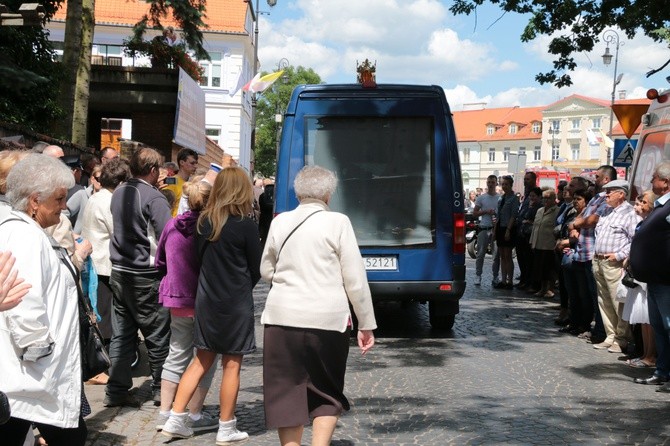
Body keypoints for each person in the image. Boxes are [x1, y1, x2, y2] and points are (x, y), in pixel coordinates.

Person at [260, 165, 376, 446]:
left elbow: (266, 269)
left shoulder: (280, 222)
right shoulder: (338, 222)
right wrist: (366, 323)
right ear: (328, 195)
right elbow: (355, 279)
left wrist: (289, 279)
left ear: (298, 193)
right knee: (326, 390)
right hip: (327, 319)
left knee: (284, 391)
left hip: (282, 318)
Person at [162, 167, 261, 442]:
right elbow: (256, 268)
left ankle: (175, 418)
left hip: (206, 300)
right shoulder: (245, 224)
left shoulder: (205, 221)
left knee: (200, 361)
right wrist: (241, 287)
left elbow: (199, 259)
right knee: (232, 365)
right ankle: (226, 427)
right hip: (235, 302)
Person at [0, 154, 88, 445]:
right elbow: (23, 299)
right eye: (60, 199)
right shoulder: (24, 236)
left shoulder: (28, 231)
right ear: (35, 201)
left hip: (34, 376)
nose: (65, 207)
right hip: (33, 376)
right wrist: (40, 350)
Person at [104, 147, 172, 408]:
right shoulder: (154, 198)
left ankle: (117, 391)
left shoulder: (118, 192)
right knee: (157, 334)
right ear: (154, 171)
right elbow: (168, 236)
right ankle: (160, 390)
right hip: (146, 274)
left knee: (123, 335)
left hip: (120, 272)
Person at [154, 177, 219, 433]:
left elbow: (160, 261)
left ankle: (164, 411)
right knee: (206, 359)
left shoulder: (171, 226)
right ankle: (193, 414)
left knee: (176, 354)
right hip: (204, 301)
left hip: (177, 298)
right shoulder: (212, 229)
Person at [79, 158, 131, 385]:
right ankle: (102, 365)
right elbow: (118, 232)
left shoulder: (96, 197)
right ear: (120, 182)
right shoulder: (109, 201)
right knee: (106, 319)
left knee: (102, 315)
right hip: (104, 264)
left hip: (96, 262)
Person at [630, 161, 670, 390]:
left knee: (668, 326)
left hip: (666, 280)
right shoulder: (660, 206)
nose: (650, 181)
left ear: (665, 182)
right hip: (655, 279)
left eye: (654, 177)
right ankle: (662, 371)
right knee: (659, 328)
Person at [592, 179, 640, 354]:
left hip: (615, 263)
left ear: (621, 194)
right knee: (604, 301)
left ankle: (622, 339)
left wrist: (619, 255)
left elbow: (635, 240)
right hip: (598, 261)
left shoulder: (630, 213)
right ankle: (610, 335)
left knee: (617, 301)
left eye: (610, 191)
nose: (606, 195)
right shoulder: (605, 210)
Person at [622, 190, 657, 368]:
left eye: (644, 202)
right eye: (639, 202)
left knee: (649, 318)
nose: (640, 206)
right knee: (643, 318)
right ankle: (645, 353)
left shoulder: (653, 223)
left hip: (648, 276)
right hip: (638, 275)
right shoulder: (642, 224)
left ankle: (651, 355)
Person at [529, 188, 559, 297]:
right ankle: (542, 288)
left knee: (549, 269)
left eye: (548, 198)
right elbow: (535, 227)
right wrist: (532, 241)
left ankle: (550, 289)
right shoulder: (539, 210)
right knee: (539, 268)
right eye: (544, 198)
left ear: (554, 199)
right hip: (538, 243)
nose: (546, 201)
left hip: (549, 245)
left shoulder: (557, 211)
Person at [472, 175, 499, 286]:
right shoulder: (481, 198)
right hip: (484, 228)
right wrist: (485, 211)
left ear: (496, 183)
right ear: (486, 183)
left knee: (496, 255)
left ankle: (496, 277)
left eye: (493, 182)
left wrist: (496, 214)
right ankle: (478, 276)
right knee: (480, 254)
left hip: (495, 229)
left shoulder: (500, 198)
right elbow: (474, 213)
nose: (491, 184)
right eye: (489, 182)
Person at [493, 175, 519, 289]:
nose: (504, 186)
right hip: (500, 228)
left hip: (508, 228)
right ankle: (503, 280)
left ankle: (510, 281)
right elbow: (498, 216)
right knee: (502, 255)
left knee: (508, 255)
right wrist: (495, 231)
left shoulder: (514, 199)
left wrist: (508, 230)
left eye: (506, 184)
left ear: (511, 185)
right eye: (503, 184)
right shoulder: (501, 198)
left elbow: (513, 216)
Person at [518, 186, 542, 291]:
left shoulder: (539, 207)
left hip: (532, 237)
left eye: (534, 196)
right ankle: (526, 281)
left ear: (539, 197)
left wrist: (528, 221)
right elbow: (522, 217)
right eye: (530, 196)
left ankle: (533, 284)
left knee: (532, 262)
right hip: (524, 235)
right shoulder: (529, 205)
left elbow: (535, 220)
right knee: (526, 261)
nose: (531, 198)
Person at [515, 171, 537, 286]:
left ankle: (528, 280)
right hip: (520, 230)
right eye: (524, 179)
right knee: (521, 257)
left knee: (528, 258)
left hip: (528, 232)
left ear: (534, 180)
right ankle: (524, 278)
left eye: (528, 179)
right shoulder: (525, 194)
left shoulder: (535, 194)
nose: (525, 181)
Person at [164, 148, 199, 217]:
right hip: (173, 224)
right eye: (192, 163)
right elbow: (165, 207)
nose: (195, 166)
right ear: (182, 162)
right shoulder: (171, 181)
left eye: (196, 163)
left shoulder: (192, 183)